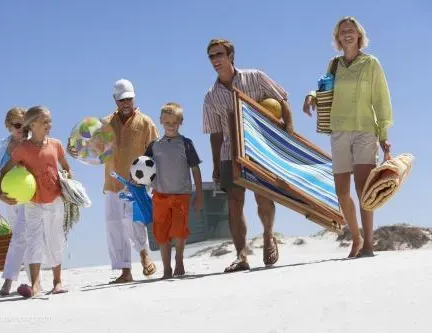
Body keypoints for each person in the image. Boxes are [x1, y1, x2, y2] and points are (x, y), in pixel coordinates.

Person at [303, 17, 393, 258]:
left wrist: (383, 134)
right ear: (338, 37)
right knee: (342, 191)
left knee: (364, 190)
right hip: (339, 131)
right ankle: (356, 237)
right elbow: (325, 87)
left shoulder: (370, 63)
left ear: (359, 35)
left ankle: (369, 245)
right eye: (343, 31)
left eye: (351, 31)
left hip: (365, 130)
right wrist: (311, 95)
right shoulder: (334, 64)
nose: (347, 34)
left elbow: (381, 100)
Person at [203, 39, 295, 272]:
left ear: (231, 55)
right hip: (228, 152)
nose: (215, 60)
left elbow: (283, 101)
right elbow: (215, 134)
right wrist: (215, 165)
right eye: (211, 56)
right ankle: (241, 256)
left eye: (219, 54)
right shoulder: (211, 96)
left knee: (263, 196)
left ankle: (267, 236)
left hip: (259, 149)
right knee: (234, 203)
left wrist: (289, 138)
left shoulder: (255, 77)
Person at [69, 79, 158, 283]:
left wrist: (152, 181)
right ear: (115, 100)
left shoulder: (146, 122)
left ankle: (145, 256)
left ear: (134, 97)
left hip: (136, 184)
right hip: (112, 183)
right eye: (121, 100)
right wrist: (74, 150)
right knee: (113, 225)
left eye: (129, 99)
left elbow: (155, 152)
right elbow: (92, 149)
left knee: (133, 221)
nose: (126, 103)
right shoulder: (105, 123)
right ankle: (124, 271)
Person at [0, 106, 72, 297]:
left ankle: (57, 281)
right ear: (33, 124)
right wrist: (0, 193)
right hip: (33, 202)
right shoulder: (23, 149)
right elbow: (3, 171)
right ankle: (36, 284)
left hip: (55, 200)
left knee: (55, 239)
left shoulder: (56, 145)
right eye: (45, 121)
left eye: (50, 121)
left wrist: (69, 184)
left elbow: (66, 167)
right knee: (33, 241)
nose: (49, 124)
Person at [144, 102, 203, 279]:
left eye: (174, 123)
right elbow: (144, 168)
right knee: (161, 233)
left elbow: (195, 170)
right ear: (161, 121)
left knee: (179, 231)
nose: (170, 126)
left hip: (181, 195)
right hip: (160, 195)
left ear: (181, 122)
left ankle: (179, 261)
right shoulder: (154, 145)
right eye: (167, 122)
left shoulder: (186, 144)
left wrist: (199, 194)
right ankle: (166, 268)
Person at [0, 107, 31, 296]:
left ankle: (8, 281)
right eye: (18, 125)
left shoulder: (32, 143)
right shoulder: (5, 145)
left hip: (30, 197)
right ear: (9, 126)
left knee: (20, 237)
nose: (22, 129)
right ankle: (33, 281)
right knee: (21, 238)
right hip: (9, 198)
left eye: (25, 125)